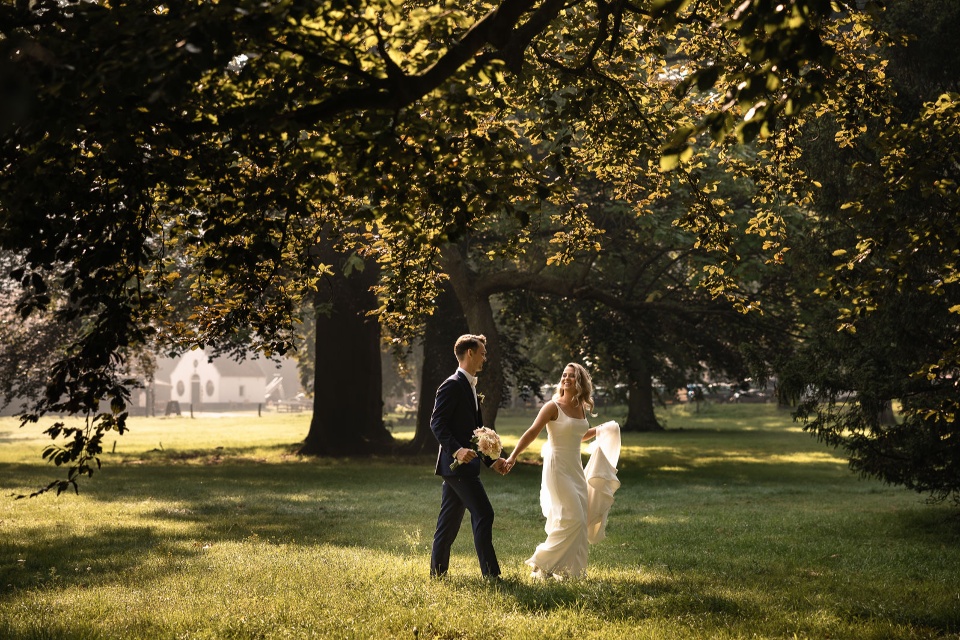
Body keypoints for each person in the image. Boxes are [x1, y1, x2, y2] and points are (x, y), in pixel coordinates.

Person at [504, 363, 621, 579]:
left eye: (572, 376)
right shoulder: (552, 407)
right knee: (574, 518)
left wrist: (603, 429)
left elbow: (578, 434)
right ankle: (542, 561)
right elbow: (532, 432)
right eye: (564, 375)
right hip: (557, 467)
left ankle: (568, 572)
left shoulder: (580, 407)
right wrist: (513, 456)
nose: (566, 379)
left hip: (575, 468)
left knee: (579, 519)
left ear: (580, 383)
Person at [430, 334, 509, 580]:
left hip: (463, 468)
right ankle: (492, 575)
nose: (485, 357)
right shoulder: (452, 384)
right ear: (470, 353)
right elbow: (437, 422)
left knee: (449, 523)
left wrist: (492, 461)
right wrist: (456, 450)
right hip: (457, 466)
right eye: (483, 353)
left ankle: (437, 574)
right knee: (484, 513)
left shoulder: (470, 386)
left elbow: (477, 434)